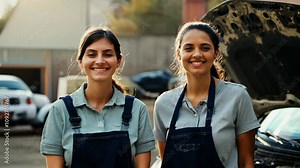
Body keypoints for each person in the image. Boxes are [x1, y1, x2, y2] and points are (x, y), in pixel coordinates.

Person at [40, 26, 155, 168]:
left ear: (118, 61)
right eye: (92, 54)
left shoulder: (137, 110)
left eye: (107, 54)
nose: (100, 61)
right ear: (80, 62)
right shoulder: (60, 111)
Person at [153, 21, 260, 168]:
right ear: (179, 54)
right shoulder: (163, 103)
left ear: (216, 53)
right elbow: (166, 160)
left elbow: (246, 162)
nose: (197, 54)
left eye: (205, 48)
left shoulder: (237, 96)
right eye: (189, 48)